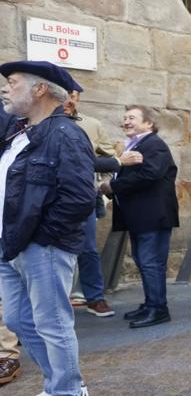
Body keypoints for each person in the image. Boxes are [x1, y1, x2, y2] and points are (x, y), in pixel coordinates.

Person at [0, 60, 98, 396]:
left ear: (40, 89)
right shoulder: (19, 133)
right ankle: (55, 385)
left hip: (42, 246)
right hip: (11, 245)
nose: (6, 89)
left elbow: (78, 199)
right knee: (18, 319)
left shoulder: (66, 134)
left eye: (13, 82)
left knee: (52, 320)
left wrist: (41, 239)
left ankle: (71, 393)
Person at [101, 106, 179, 328]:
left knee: (150, 262)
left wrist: (112, 185)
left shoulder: (153, 144)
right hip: (142, 217)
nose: (126, 121)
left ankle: (158, 309)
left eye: (132, 118)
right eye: (124, 118)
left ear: (149, 124)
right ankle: (150, 303)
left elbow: (150, 174)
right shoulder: (138, 144)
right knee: (144, 261)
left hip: (152, 216)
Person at [64, 82, 116, 317]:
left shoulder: (92, 125)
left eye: (74, 95)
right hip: (47, 196)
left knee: (87, 249)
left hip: (82, 195)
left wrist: (101, 186)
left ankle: (94, 297)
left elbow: (111, 155)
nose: (70, 100)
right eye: (66, 95)